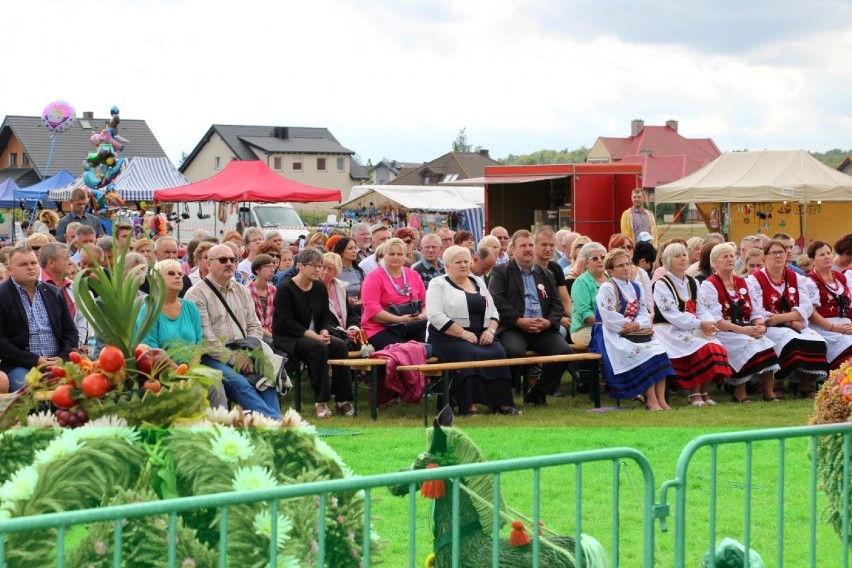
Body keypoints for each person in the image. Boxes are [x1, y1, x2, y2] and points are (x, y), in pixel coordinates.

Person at [185, 244, 281, 419]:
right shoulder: (196, 294)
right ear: (209, 264)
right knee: (240, 383)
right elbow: (206, 338)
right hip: (212, 355)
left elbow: (254, 325)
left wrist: (249, 351)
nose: (229, 263)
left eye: (233, 260)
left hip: (245, 350)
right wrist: (233, 358)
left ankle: (272, 422)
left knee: (267, 380)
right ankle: (276, 424)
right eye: (223, 260)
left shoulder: (241, 290)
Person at [426, 245, 520, 416]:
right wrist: (463, 333)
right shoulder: (438, 284)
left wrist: (490, 331)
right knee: (469, 353)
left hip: (481, 334)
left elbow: (493, 311)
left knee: (498, 352)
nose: (463, 265)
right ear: (446, 266)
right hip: (447, 337)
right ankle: (468, 405)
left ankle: (502, 402)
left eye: (466, 261)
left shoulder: (477, 281)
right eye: (458, 262)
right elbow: (435, 315)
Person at [488, 230, 572, 406]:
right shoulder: (501, 271)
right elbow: (497, 300)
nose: (528, 249)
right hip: (514, 327)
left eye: (530, 245)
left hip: (542, 328)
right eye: (523, 246)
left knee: (564, 353)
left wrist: (548, 321)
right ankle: (502, 396)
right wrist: (519, 320)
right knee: (514, 353)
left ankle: (538, 391)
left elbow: (557, 304)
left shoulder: (546, 274)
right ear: (513, 249)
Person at [273, 247, 354, 419]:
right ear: (300, 266)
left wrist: (324, 331)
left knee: (339, 345)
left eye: (320, 266)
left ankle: (343, 399)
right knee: (319, 347)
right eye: (314, 266)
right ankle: (321, 401)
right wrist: (316, 336)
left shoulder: (318, 287)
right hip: (289, 338)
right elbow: (287, 323)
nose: (318, 270)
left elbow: (325, 316)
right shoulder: (285, 289)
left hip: (316, 335)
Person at [136, 259, 227, 408]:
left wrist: (191, 368)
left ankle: (222, 424)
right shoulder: (149, 309)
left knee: (215, 382)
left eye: (180, 273)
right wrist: (177, 371)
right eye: (171, 274)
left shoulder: (190, 307)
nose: (178, 277)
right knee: (194, 389)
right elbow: (151, 352)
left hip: (189, 368)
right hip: (160, 373)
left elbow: (198, 344)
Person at [591, 248, 674, 409]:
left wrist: (637, 325)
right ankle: (651, 400)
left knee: (660, 351)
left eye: (628, 264)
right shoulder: (607, 287)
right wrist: (626, 326)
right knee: (647, 354)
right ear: (610, 270)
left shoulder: (636, 286)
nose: (626, 268)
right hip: (609, 333)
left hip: (634, 331)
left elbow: (644, 311)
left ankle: (661, 399)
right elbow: (608, 316)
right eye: (620, 265)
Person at [699, 243, 781, 403]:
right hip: (724, 331)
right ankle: (740, 392)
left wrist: (760, 325)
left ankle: (768, 392)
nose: (730, 259)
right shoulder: (709, 285)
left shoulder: (745, 282)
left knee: (767, 344)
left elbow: (757, 310)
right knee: (749, 344)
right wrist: (744, 331)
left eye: (732, 256)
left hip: (746, 328)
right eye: (725, 256)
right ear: (714, 263)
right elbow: (716, 320)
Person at [652, 243, 732, 406]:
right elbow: (671, 315)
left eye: (684, 255)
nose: (683, 259)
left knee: (716, 345)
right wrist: (700, 323)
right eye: (677, 256)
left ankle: (704, 392)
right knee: (703, 349)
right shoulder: (662, 284)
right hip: (668, 330)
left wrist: (709, 323)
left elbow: (701, 308)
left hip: (692, 326)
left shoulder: (693, 282)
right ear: (667, 260)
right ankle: (694, 394)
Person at [747, 240, 829, 398]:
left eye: (781, 252)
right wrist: (781, 320)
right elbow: (756, 309)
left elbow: (806, 306)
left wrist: (785, 318)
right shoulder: (754, 280)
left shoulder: (796, 278)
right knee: (790, 341)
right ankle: (778, 383)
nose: (778, 256)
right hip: (770, 326)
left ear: (787, 256)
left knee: (819, 342)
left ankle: (804, 387)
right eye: (773, 253)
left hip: (793, 323)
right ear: (765, 257)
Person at [0, 248, 78, 391]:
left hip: (57, 362)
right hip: (20, 364)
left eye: (33, 263)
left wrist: (62, 357)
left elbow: (70, 332)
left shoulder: (54, 292)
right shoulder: (3, 295)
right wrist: (36, 360)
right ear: (10, 270)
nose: (30, 267)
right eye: (23, 264)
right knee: (32, 394)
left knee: (78, 391)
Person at [360, 237, 428, 350]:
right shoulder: (373, 277)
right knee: (408, 350)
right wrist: (401, 319)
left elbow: (425, 303)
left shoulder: (413, 274)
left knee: (436, 340)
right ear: (384, 254)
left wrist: (422, 315)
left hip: (412, 325)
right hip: (380, 328)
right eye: (391, 254)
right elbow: (373, 311)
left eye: (399, 254)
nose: (395, 257)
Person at [805, 241, 852, 369]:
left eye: (828, 253)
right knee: (849, 345)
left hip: (847, 325)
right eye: (821, 255)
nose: (827, 257)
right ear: (812, 261)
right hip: (824, 327)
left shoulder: (842, 278)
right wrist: (834, 327)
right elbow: (811, 313)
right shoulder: (810, 281)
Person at [534, 228, 572, 339]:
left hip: (555, 316)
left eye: (551, 245)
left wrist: (576, 320)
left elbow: (565, 301)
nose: (548, 249)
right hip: (538, 320)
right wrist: (558, 320)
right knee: (561, 332)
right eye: (544, 245)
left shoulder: (556, 268)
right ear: (535, 245)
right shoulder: (528, 269)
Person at [570, 242, 609, 346]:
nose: (600, 260)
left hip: (610, 327)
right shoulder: (581, 283)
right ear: (586, 264)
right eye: (595, 258)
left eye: (602, 257)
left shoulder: (612, 280)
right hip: (585, 329)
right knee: (611, 343)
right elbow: (585, 314)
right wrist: (608, 324)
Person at [320, 252, 362, 346]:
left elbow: (351, 313)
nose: (325, 272)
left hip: (346, 332)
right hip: (329, 332)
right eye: (323, 267)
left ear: (336, 272)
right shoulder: (314, 288)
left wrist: (352, 328)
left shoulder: (340, 287)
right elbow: (321, 319)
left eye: (330, 269)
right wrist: (344, 332)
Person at [247, 253, 277, 343]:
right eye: (268, 266)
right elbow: (250, 322)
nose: (272, 270)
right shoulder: (247, 291)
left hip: (272, 332)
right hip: (255, 334)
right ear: (257, 270)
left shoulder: (273, 290)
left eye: (273, 266)